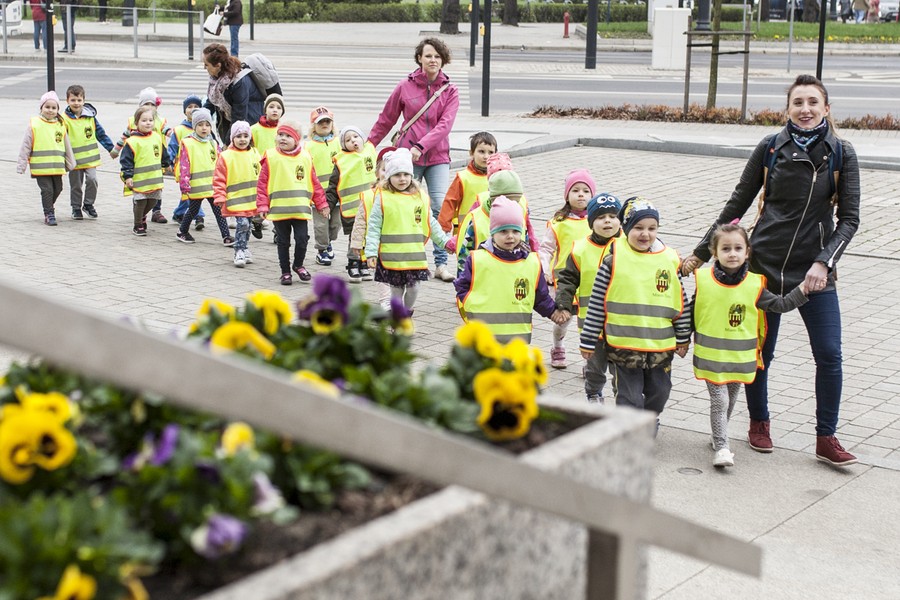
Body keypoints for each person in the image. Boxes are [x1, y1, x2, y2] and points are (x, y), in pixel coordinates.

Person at [681, 74, 860, 467]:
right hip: (761, 268)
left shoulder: (842, 154)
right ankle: (759, 422)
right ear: (788, 109)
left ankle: (826, 436)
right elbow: (735, 207)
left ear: (826, 109)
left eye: (813, 102)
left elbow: (849, 221)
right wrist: (700, 254)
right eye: (798, 102)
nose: (806, 109)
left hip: (814, 272)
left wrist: (823, 262)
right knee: (760, 353)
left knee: (829, 354)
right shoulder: (770, 148)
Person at [690, 223, 809, 468]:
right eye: (725, 248)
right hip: (712, 357)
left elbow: (780, 305)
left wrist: (803, 290)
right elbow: (692, 312)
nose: (732, 253)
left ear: (747, 252)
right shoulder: (704, 280)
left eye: (737, 248)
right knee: (719, 401)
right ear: (715, 252)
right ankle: (722, 446)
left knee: (731, 399)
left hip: (740, 357)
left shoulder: (755, 284)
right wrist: (681, 339)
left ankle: (717, 436)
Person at [579, 197, 690, 422]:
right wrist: (589, 340)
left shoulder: (669, 260)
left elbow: (681, 302)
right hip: (623, 348)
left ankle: (650, 418)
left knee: (660, 392)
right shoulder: (613, 261)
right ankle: (632, 431)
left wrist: (683, 337)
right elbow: (597, 304)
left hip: (660, 348)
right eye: (638, 228)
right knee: (629, 398)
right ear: (626, 228)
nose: (645, 234)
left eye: (652, 228)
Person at [367, 38, 460, 283]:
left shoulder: (450, 90)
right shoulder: (404, 87)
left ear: (443, 60)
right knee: (401, 204)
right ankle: (403, 257)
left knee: (438, 207)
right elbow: (386, 118)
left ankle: (441, 263)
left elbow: (444, 125)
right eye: (428, 55)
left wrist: (422, 145)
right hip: (406, 160)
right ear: (419, 58)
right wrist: (368, 145)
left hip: (437, 156)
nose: (433, 60)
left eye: (437, 57)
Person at [455, 196, 565, 344]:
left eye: (515, 231)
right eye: (503, 231)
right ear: (493, 233)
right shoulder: (477, 259)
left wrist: (553, 312)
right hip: (483, 336)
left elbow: (540, 296)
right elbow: (462, 286)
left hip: (517, 339)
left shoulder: (531, 262)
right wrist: (471, 303)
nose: (510, 236)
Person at [554, 193, 622, 404]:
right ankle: (593, 394)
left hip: (622, 324)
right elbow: (567, 279)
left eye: (613, 216)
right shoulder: (580, 249)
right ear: (591, 223)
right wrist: (563, 304)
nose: (608, 221)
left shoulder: (630, 246)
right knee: (594, 367)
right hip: (591, 325)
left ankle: (623, 400)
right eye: (601, 217)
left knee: (621, 369)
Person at [365, 148, 451, 313]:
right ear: (389, 177)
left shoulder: (419, 196)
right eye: (397, 175)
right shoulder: (383, 197)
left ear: (412, 175)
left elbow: (430, 222)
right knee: (396, 290)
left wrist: (444, 241)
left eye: (406, 174)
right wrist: (370, 252)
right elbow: (374, 226)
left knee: (414, 289)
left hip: (414, 255)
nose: (402, 179)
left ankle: (406, 311)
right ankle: (399, 317)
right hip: (392, 256)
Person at [256, 119, 329, 285]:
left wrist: (322, 204)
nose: (283, 138)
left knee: (302, 239)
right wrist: (262, 205)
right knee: (283, 242)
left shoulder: (305, 157)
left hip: (300, 209)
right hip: (279, 210)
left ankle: (298, 265)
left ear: (296, 139)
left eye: (288, 135)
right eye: (280, 135)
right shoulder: (271, 157)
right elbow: (262, 183)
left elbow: (314, 183)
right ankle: (285, 271)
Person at [539, 168, 596, 369]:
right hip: (565, 281)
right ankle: (558, 346)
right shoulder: (558, 223)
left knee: (590, 323)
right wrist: (544, 270)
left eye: (586, 190)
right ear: (567, 195)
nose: (581, 194)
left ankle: (590, 362)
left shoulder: (597, 222)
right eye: (576, 190)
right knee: (563, 318)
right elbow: (545, 249)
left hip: (591, 281)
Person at [452, 169, 537, 275]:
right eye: (510, 200)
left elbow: (526, 248)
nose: (514, 205)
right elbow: (464, 255)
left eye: (517, 201)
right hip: (483, 280)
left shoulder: (518, 216)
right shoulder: (476, 220)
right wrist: (463, 282)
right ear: (493, 199)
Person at [111, 87, 173, 224]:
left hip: (155, 160)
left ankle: (156, 211)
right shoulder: (135, 121)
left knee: (156, 188)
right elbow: (125, 136)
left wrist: (177, 136)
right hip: (140, 162)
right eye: (146, 104)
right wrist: (116, 150)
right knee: (141, 192)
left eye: (152, 104)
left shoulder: (159, 120)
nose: (149, 107)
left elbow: (168, 132)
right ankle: (139, 213)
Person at [326, 125, 377, 283]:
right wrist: (327, 204)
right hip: (352, 207)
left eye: (355, 137)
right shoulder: (341, 161)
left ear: (362, 138)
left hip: (372, 207)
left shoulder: (370, 152)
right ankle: (353, 263)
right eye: (347, 140)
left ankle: (364, 263)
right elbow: (333, 186)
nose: (353, 141)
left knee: (369, 236)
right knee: (356, 237)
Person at [175, 108, 233, 246]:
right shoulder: (188, 143)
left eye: (207, 125)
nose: (204, 128)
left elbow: (220, 162)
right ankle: (182, 231)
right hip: (196, 186)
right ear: (194, 126)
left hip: (212, 185)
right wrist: (184, 184)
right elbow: (184, 164)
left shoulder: (212, 143)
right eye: (200, 125)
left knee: (218, 210)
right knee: (193, 210)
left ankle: (226, 236)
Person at [16, 91, 76, 226]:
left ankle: (48, 205)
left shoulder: (61, 124)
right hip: (41, 166)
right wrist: (21, 165)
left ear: (57, 110)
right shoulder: (34, 124)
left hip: (56, 166)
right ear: (41, 108)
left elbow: (66, 145)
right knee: (47, 190)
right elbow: (26, 145)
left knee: (58, 188)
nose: (50, 110)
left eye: (54, 108)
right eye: (47, 107)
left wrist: (70, 163)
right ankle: (49, 213)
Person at [62, 84, 115, 220]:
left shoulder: (90, 117)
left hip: (90, 159)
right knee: (76, 185)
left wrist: (111, 148)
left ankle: (88, 204)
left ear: (84, 100)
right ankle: (76, 208)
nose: (76, 103)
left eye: (79, 100)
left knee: (92, 180)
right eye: (73, 100)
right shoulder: (64, 120)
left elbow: (100, 134)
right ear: (67, 101)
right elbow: (60, 138)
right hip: (73, 160)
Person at [214, 121, 261, 267]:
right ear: (232, 138)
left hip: (252, 199)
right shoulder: (226, 156)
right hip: (236, 200)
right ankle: (239, 250)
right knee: (243, 224)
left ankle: (245, 247)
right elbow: (219, 178)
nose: (242, 139)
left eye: (246, 136)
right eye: (238, 136)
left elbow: (262, 175)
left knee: (249, 225)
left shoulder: (255, 153)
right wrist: (220, 196)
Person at [119, 105, 171, 236]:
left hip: (154, 178)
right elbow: (126, 161)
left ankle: (141, 217)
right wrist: (128, 176)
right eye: (144, 120)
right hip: (139, 179)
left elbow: (162, 152)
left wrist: (167, 164)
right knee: (141, 202)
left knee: (153, 201)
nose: (148, 123)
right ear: (136, 123)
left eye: (150, 120)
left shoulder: (157, 137)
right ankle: (138, 224)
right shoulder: (132, 141)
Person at [202, 43, 264, 145]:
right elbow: (211, 101)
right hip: (231, 124)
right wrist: (197, 117)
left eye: (206, 64)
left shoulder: (239, 82)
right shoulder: (217, 78)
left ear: (218, 65)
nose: (204, 67)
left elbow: (239, 116)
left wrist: (227, 143)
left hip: (248, 125)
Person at [438, 131, 497, 237]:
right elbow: (450, 201)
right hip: (466, 232)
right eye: (481, 151)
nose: (486, 156)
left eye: (490, 152)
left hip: (492, 230)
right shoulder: (463, 177)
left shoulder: (498, 177)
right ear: (471, 153)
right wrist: (444, 226)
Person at [306, 106, 342, 267]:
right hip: (318, 193)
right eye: (320, 122)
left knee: (335, 223)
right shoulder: (308, 147)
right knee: (321, 225)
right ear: (314, 125)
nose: (324, 124)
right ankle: (321, 250)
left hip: (337, 192)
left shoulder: (339, 144)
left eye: (327, 121)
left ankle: (329, 241)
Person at [169, 94, 206, 230]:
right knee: (194, 193)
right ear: (185, 111)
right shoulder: (179, 130)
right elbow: (172, 148)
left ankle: (179, 213)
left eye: (196, 106)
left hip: (200, 168)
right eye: (189, 107)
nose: (193, 109)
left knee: (191, 193)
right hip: (183, 169)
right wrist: (168, 163)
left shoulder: (205, 128)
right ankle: (199, 216)